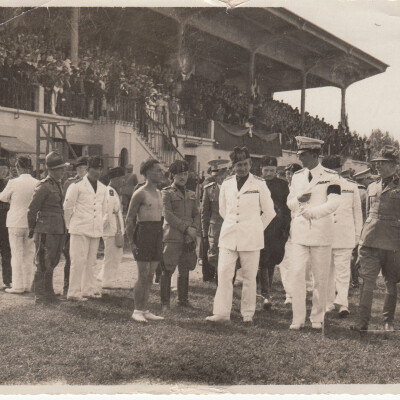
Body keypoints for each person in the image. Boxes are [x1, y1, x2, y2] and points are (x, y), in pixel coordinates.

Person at [206, 147, 275, 323]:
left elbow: (269, 212)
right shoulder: (227, 184)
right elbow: (223, 210)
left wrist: (255, 227)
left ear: (250, 164)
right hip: (229, 236)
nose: (242, 168)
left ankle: (247, 314)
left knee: (250, 277)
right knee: (224, 274)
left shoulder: (259, 183)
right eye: (238, 165)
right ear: (233, 166)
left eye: (245, 164)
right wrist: (234, 225)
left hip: (251, 237)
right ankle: (221, 313)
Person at [287, 136, 341, 330]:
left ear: (315, 155)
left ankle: (317, 318)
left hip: (321, 234)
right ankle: (298, 318)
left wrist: (313, 213)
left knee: (320, 278)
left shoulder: (331, 176)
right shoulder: (297, 176)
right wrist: (300, 199)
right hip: (300, 234)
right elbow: (290, 203)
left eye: (303, 155)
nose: (300, 158)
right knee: (297, 274)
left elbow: (334, 203)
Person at [351, 146, 400, 334]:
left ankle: (388, 321)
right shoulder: (372, 186)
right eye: (378, 162)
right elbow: (366, 217)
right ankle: (362, 322)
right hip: (370, 241)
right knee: (367, 282)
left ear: (395, 165)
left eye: (383, 163)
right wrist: (360, 244)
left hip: (394, 243)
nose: (378, 166)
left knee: (391, 282)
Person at [321, 156, 362, 317]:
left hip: (344, 234)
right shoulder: (320, 186)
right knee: (326, 271)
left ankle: (343, 303)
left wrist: (357, 235)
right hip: (325, 234)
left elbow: (357, 213)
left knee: (343, 271)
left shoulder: (351, 186)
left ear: (339, 170)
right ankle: (328, 302)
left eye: (335, 170)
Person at [126, 158, 165, 322]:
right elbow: (129, 219)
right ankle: (137, 310)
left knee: (150, 275)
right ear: (148, 173)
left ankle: (145, 308)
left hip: (157, 233)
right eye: (158, 170)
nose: (161, 173)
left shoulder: (159, 192)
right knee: (142, 274)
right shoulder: (140, 193)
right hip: (144, 233)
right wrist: (132, 242)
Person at [64, 156, 107, 301]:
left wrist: (101, 224)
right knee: (78, 261)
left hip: (95, 229)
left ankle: (88, 289)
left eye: (100, 168)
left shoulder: (102, 187)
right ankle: (74, 292)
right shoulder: (76, 186)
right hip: (79, 228)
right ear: (88, 169)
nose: (98, 171)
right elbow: (68, 208)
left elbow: (103, 209)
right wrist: (70, 226)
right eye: (95, 168)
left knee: (91, 261)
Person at [27, 152, 68, 304]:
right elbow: (32, 210)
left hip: (57, 228)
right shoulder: (44, 186)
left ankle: (49, 293)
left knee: (53, 261)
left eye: (63, 169)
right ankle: (40, 295)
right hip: (45, 229)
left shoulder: (57, 184)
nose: (62, 172)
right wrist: (32, 229)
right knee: (43, 262)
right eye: (59, 169)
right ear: (50, 170)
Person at [160, 160, 199, 311]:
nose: (183, 177)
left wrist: (194, 228)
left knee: (185, 269)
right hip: (172, 236)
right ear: (172, 175)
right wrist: (186, 228)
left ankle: (183, 299)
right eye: (179, 174)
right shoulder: (166, 192)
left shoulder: (192, 194)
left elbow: (196, 213)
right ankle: (165, 302)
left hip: (188, 237)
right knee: (168, 268)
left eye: (185, 174)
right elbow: (167, 214)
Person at [0, 156, 38, 294]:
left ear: (18, 167)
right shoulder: (37, 182)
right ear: (30, 167)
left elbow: (2, 197)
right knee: (29, 255)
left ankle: (18, 285)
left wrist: (12, 198)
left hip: (15, 222)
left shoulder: (13, 182)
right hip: (31, 222)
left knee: (16, 254)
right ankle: (28, 284)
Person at [258, 156, 291, 310]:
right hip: (260, 227)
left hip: (277, 229)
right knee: (262, 261)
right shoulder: (256, 184)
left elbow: (287, 208)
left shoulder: (283, 185)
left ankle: (267, 291)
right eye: (266, 170)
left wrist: (285, 227)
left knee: (272, 260)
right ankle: (265, 294)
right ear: (261, 170)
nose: (269, 173)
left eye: (272, 170)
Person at [62, 156, 88, 295]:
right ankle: (67, 286)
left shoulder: (92, 184)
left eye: (84, 168)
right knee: (70, 257)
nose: (82, 171)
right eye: (79, 168)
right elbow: (66, 205)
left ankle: (82, 287)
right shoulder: (70, 183)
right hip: (71, 224)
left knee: (86, 257)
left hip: (86, 225)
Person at [201, 160, 229, 283]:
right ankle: (217, 279)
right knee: (214, 255)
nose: (219, 178)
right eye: (216, 175)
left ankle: (225, 280)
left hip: (230, 226)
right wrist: (204, 232)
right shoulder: (209, 189)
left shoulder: (234, 189)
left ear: (227, 173)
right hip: (215, 228)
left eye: (222, 174)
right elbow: (204, 213)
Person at [98, 167, 125, 290]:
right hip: (111, 229)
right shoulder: (110, 192)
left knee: (115, 255)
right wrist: (101, 229)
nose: (123, 181)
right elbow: (107, 213)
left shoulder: (112, 191)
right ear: (115, 178)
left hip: (115, 228)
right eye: (121, 178)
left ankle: (103, 276)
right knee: (112, 256)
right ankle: (107, 281)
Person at [0, 158, 12, 289]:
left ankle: (7, 280)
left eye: (5, 169)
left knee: (6, 252)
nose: (3, 171)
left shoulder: (9, 183)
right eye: (1, 168)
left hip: (5, 222)